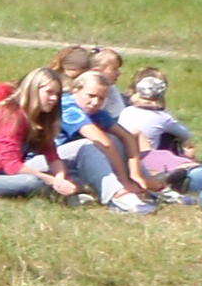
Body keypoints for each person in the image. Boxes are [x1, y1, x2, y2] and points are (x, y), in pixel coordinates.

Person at [0, 70, 75, 199]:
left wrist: (60, 178)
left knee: (71, 176)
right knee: (32, 182)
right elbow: (12, 165)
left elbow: (51, 154)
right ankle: (63, 194)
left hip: (11, 174)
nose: (54, 98)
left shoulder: (40, 118)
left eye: (57, 94)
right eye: (49, 92)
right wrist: (51, 181)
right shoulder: (10, 115)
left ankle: (66, 192)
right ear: (33, 90)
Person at [57, 70, 156, 212]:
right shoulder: (67, 106)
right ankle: (118, 196)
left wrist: (135, 174)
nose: (95, 102)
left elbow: (127, 137)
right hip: (47, 161)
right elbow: (102, 141)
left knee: (115, 139)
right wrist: (123, 180)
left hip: (72, 164)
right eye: (91, 96)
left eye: (101, 98)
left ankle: (147, 186)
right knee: (92, 144)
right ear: (75, 90)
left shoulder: (96, 112)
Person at [118, 71, 202, 199]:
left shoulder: (126, 111)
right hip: (156, 164)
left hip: (136, 160)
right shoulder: (162, 117)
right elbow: (186, 134)